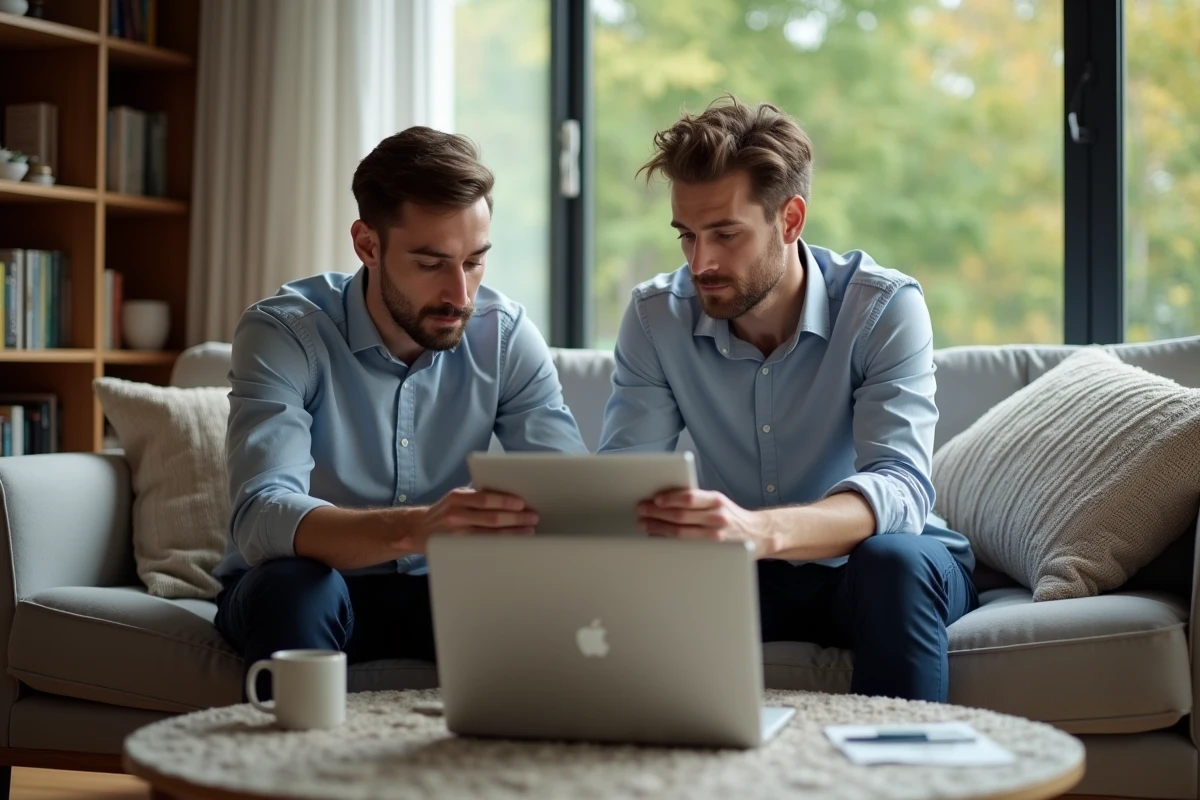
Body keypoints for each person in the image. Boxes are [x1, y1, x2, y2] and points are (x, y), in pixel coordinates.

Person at [598, 95, 978, 703]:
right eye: (687, 236)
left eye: (725, 234)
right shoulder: (654, 316)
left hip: (875, 570)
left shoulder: (883, 307)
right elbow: (622, 486)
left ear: (791, 220)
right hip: (742, 575)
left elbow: (901, 486)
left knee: (895, 563)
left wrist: (760, 531)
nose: (702, 263)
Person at [212, 127, 587, 692]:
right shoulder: (285, 330)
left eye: (475, 262)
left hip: (447, 590)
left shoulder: (504, 335)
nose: (461, 294)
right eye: (432, 263)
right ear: (367, 245)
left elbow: (573, 498)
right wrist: (418, 528)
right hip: (306, 588)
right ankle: (284, 777)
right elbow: (262, 517)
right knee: (296, 587)